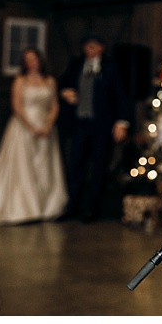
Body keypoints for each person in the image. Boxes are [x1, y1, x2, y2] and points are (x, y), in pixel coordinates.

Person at [0, 48, 67, 224]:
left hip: (45, 127)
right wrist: (32, 127)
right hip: (24, 126)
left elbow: (54, 105)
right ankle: (23, 207)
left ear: (40, 60)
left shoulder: (49, 80)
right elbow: (17, 106)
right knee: (22, 166)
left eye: (33, 59)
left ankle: (46, 206)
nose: (31, 62)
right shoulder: (20, 80)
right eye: (27, 60)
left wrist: (47, 125)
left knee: (44, 167)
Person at [57, 34, 131, 222]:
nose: (90, 50)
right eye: (87, 46)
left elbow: (121, 95)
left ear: (101, 48)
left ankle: (92, 207)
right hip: (80, 123)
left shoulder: (110, 67)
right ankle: (72, 205)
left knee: (99, 166)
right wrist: (64, 93)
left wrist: (121, 122)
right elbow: (61, 83)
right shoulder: (76, 65)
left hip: (102, 125)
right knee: (75, 165)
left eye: (94, 46)